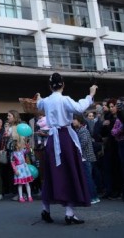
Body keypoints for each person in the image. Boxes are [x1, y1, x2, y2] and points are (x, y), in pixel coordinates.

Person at [36, 73, 96, 225]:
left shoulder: (46, 101)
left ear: (50, 86)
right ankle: (69, 213)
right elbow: (80, 108)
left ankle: (46, 209)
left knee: (50, 173)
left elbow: (38, 104)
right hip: (64, 138)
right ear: (63, 84)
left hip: (52, 139)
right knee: (70, 172)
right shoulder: (65, 99)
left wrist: (38, 97)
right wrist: (91, 94)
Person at [72, 114, 99, 204]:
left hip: (86, 158)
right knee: (87, 178)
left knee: (88, 178)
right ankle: (92, 196)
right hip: (84, 158)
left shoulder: (83, 130)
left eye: (74, 119)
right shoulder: (78, 130)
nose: (73, 121)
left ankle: (93, 197)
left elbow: (82, 143)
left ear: (79, 120)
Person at [11, 135, 34, 203]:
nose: (20, 144)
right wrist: (15, 170)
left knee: (27, 183)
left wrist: (26, 143)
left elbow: (28, 150)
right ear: (16, 146)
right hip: (19, 169)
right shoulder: (13, 154)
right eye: (18, 143)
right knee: (20, 184)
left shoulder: (22, 151)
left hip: (24, 168)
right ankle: (21, 197)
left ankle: (29, 196)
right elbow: (12, 162)